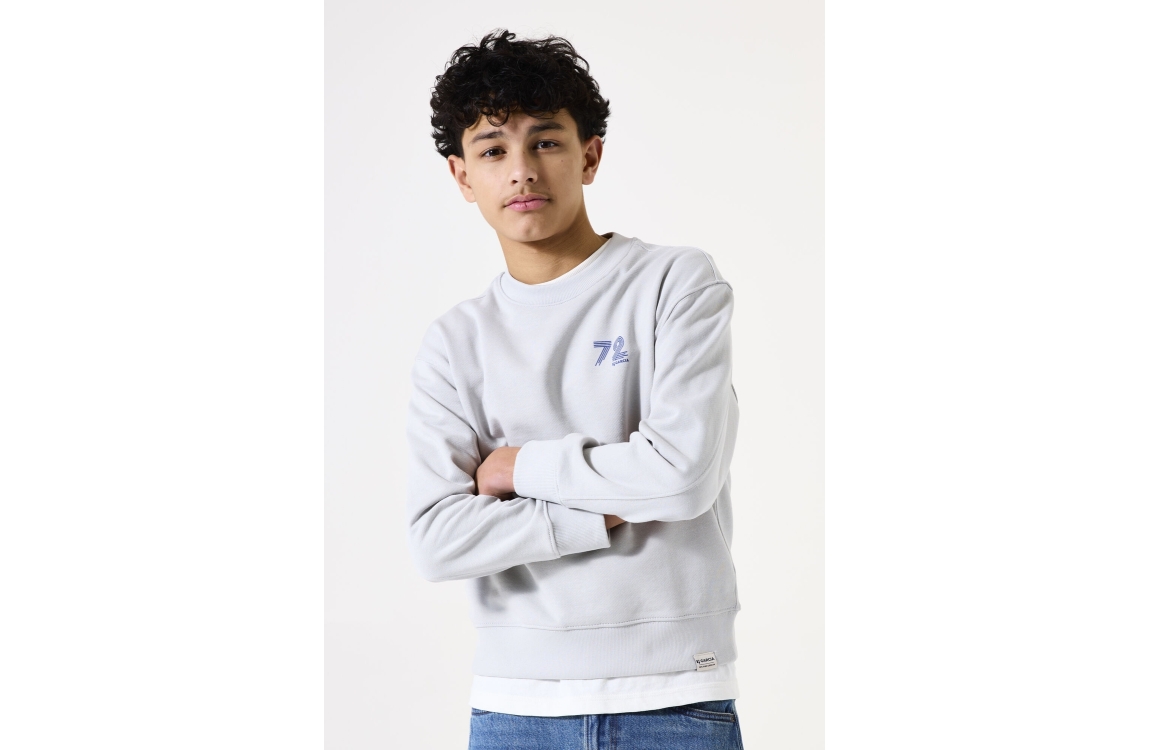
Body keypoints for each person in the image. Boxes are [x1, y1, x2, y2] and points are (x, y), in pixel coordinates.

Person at [406, 29, 744, 749]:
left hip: (676, 699)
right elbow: (437, 539)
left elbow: (683, 477)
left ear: (589, 155)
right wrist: (612, 506)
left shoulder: (675, 284)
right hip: (514, 707)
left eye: (546, 142)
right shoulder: (455, 341)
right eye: (492, 150)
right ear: (462, 176)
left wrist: (515, 467)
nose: (522, 171)